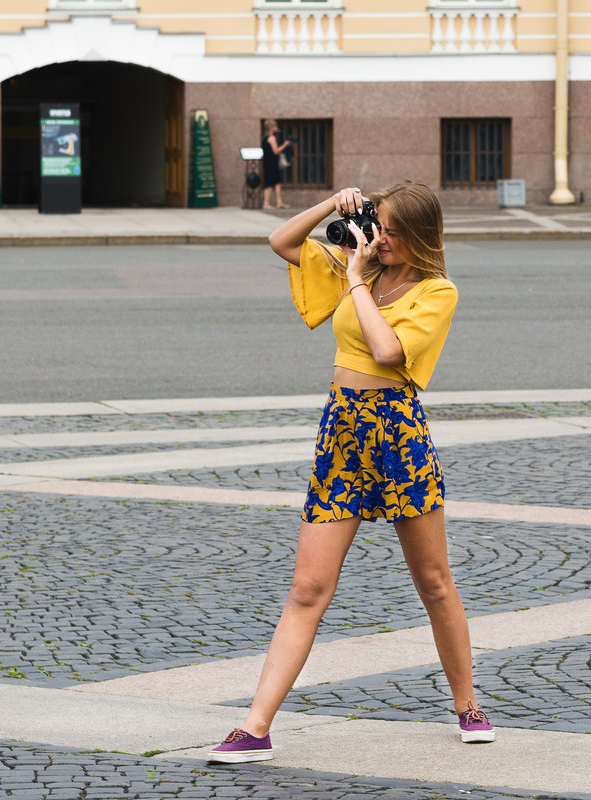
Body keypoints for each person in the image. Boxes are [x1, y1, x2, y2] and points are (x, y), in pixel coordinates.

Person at [207, 182, 494, 764]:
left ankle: (467, 704)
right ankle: (254, 727)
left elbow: (388, 351)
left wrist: (357, 280)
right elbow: (281, 240)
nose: (378, 238)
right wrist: (333, 207)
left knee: (435, 583)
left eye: (390, 230)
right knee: (308, 587)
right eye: (375, 224)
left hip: (397, 435)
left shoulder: (437, 291)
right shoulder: (354, 261)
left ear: (418, 235)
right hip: (342, 432)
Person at [260, 120, 293, 210]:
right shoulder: (271, 138)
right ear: (271, 127)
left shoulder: (264, 138)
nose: (276, 128)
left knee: (277, 182)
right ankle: (266, 203)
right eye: (275, 126)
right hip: (272, 163)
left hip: (268, 162)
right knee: (269, 183)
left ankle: (279, 202)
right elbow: (276, 151)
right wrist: (285, 144)